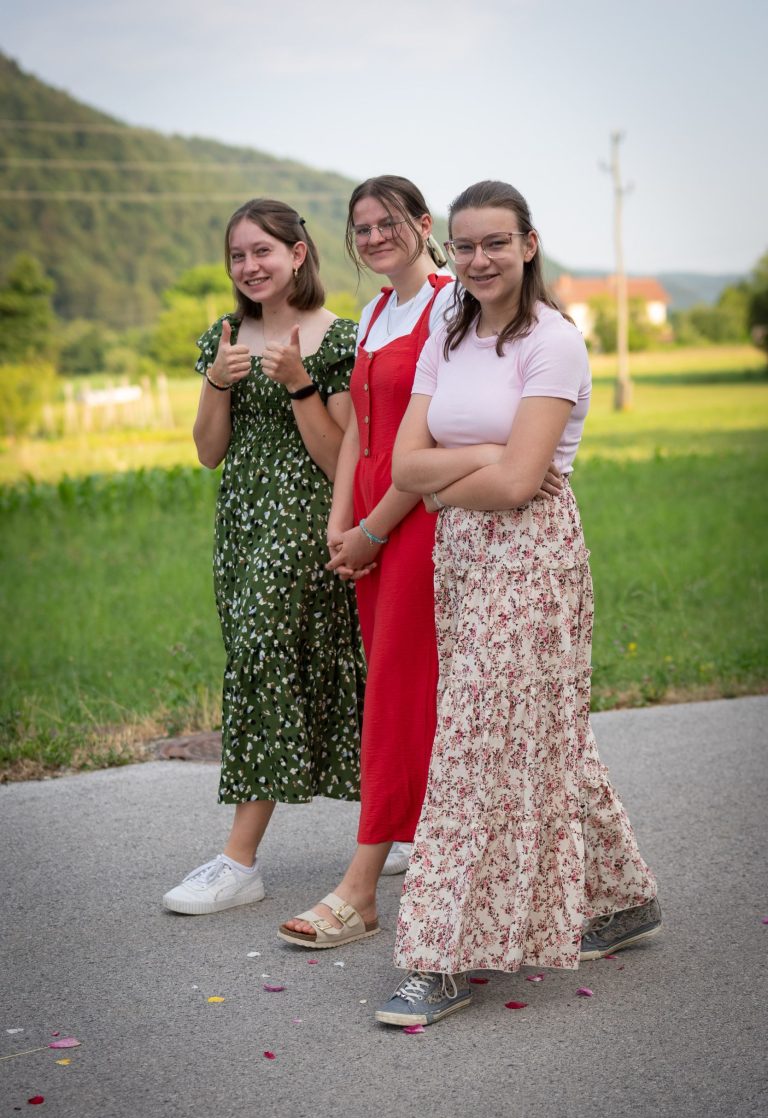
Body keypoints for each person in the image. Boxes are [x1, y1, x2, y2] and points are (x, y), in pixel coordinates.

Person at [375, 180, 661, 1026]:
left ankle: (441, 958)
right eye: (464, 245)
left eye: (495, 242)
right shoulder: (445, 330)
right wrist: (482, 460)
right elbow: (404, 466)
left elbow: (519, 483)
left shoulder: (555, 341)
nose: (479, 259)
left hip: (532, 558)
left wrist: (451, 479)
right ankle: (622, 900)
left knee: (471, 744)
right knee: (538, 729)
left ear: (528, 245)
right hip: (462, 558)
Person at [163, 199, 365, 915]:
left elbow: (341, 458)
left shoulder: (338, 338)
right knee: (311, 662)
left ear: (297, 254)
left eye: (263, 252)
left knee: (261, 657)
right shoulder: (224, 336)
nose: (249, 266)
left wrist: (299, 383)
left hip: (306, 522)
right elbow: (207, 451)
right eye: (238, 255)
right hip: (241, 529)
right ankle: (400, 822)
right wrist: (219, 379)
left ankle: (238, 861)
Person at [276, 176, 456, 947]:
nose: (375, 237)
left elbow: (438, 436)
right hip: (369, 520)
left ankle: (360, 889)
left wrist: (375, 531)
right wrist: (339, 520)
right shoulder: (379, 312)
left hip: (419, 517)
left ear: (424, 223)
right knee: (407, 685)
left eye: (389, 223)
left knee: (395, 692)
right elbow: (357, 429)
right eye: (362, 228)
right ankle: (442, 844)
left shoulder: (451, 305)